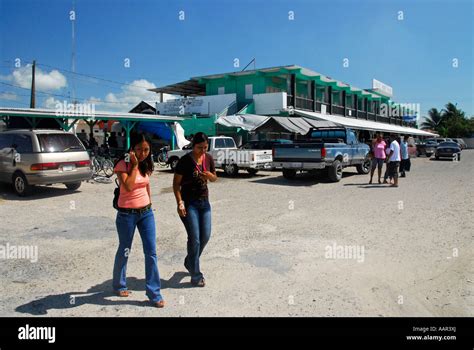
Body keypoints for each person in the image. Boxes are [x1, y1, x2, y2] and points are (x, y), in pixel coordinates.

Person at [112, 133, 165, 308]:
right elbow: (127, 186)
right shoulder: (123, 164)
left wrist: (149, 204)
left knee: (151, 252)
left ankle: (154, 293)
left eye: (146, 150)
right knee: (125, 249)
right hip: (127, 214)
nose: (143, 153)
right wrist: (134, 165)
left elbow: (146, 185)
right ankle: (119, 284)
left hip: (146, 213)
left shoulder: (145, 163)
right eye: (139, 149)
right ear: (132, 148)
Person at [173, 132, 217, 287]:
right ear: (193, 145)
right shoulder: (185, 161)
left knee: (205, 236)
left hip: (204, 203)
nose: (203, 151)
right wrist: (180, 203)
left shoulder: (209, 158)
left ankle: (189, 261)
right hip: (189, 203)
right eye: (200, 148)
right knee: (195, 239)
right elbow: (176, 185)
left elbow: (215, 178)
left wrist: (210, 176)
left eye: (205, 147)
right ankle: (196, 275)